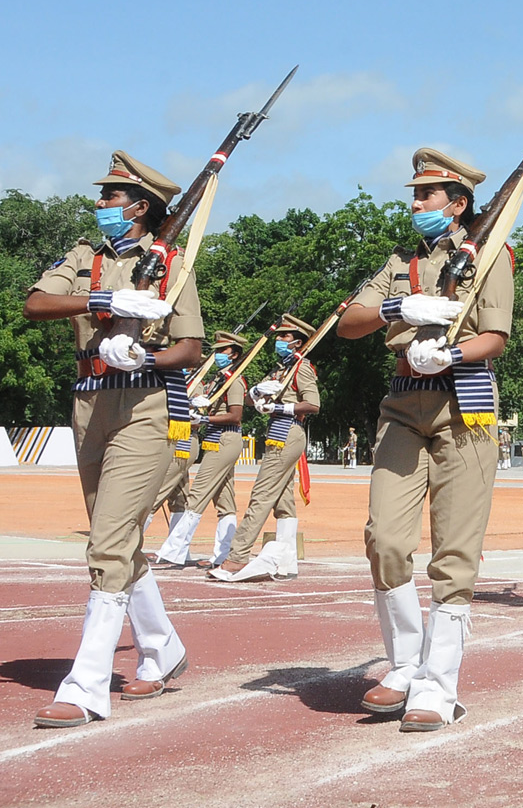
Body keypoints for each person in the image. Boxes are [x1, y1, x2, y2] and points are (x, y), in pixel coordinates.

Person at [337, 147, 512, 731]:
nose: (415, 204)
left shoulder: (490, 254)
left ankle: (439, 684)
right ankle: (404, 663)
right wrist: (399, 305)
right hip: (403, 404)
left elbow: (496, 336)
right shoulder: (400, 263)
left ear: (458, 204)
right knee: (385, 538)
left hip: (465, 405)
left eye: (426, 195)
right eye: (414, 194)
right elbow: (349, 323)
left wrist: (451, 353)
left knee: (453, 551)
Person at [24, 151, 200, 727]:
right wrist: (104, 300)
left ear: (141, 207)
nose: (101, 206)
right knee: (117, 537)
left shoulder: (173, 261)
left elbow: (189, 349)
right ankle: (162, 645)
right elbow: (37, 304)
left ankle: (87, 684)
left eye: (111, 198)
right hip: (88, 402)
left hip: (146, 406)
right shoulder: (84, 255)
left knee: (106, 542)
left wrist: (143, 352)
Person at [208, 314, 320, 582]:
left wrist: (280, 406)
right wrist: (256, 394)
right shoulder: (280, 369)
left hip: (288, 431)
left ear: (297, 342)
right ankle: (287, 560)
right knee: (282, 501)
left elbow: (313, 404)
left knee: (262, 495)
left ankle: (237, 556)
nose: (279, 340)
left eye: (284, 336)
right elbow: (249, 401)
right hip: (277, 432)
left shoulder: (301, 367)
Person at [154, 331, 248, 568]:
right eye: (216, 350)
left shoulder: (234, 380)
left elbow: (235, 416)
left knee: (198, 494)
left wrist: (204, 420)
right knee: (224, 501)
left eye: (222, 351)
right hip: (214, 440)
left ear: (234, 354)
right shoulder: (218, 379)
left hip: (226, 439)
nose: (217, 355)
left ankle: (174, 550)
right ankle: (223, 554)